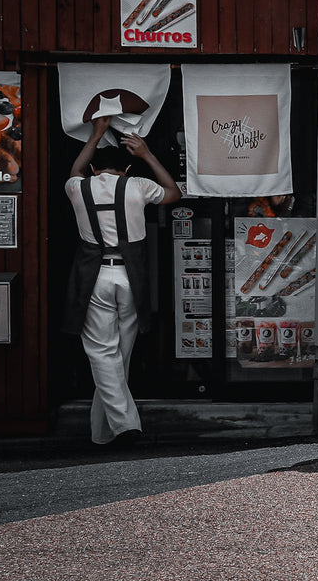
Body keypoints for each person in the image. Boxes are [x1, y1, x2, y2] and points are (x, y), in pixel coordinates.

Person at [62, 114, 181, 447]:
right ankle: (104, 433)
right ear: (125, 170)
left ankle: (125, 427)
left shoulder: (77, 187)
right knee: (120, 356)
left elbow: (75, 170)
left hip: (94, 278)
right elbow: (174, 192)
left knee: (103, 355)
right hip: (132, 279)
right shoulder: (138, 185)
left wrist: (96, 134)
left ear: (94, 170)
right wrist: (146, 154)